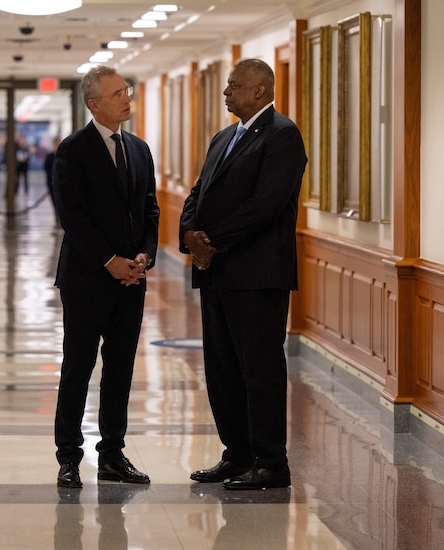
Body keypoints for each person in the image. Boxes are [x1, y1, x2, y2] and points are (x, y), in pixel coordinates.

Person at [179, 58, 307, 490]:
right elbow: (198, 192)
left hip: (256, 275)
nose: (226, 92)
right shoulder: (223, 137)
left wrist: (210, 241)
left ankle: (270, 462)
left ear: (259, 91)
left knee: (260, 370)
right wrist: (189, 234)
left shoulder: (283, 136)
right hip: (216, 274)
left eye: (233, 86)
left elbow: (266, 205)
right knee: (223, 370)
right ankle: (237, 455)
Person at [53, 66, 160, 488]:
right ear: (94, 104)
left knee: (120, 369)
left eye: (127, 91)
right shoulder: (72, 150)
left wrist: (143, 256)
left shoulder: (139, 148)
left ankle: (113, 454)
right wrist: (108, 261)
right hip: (86, 280)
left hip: (132, 280)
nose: (126, 98)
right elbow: (72, 217)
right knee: (77, 367)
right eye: (118, 93)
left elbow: (149, 208)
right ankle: (68, 457)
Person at [44, 136, 62, 226]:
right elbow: (47, 169)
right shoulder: (50, 156)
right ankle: (57, 218)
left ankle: (60, 218)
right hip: (52, 183)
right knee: (55, 202)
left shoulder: (64, 154)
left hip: (62, 184)